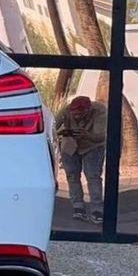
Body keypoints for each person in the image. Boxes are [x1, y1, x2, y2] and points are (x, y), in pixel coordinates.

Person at [55, 96, 107, 224]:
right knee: (72, 176)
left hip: (92, 146)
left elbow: (101, 137)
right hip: (70, 145)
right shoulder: (66, 110)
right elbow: (53, 127)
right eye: (74, 113)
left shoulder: (100, 111)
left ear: (88, 110)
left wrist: (86, 135)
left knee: (93, 176)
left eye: (80, 114)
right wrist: (63, 133)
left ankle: (97, 209)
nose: (76, 116)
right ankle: (78, 207)